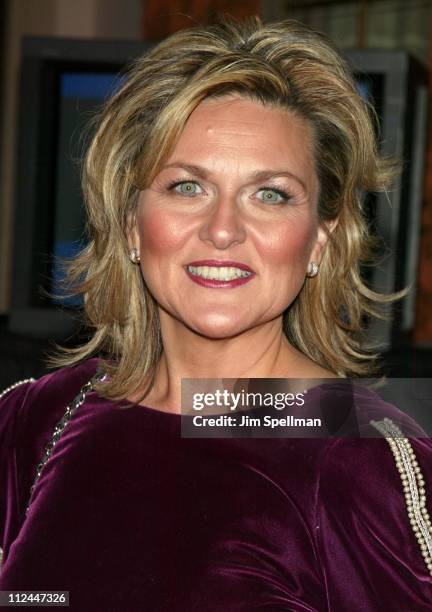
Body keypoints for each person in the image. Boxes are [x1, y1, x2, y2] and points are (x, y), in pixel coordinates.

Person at [1, 16, 431, 611]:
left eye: (270, 194)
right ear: (130, 224)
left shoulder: (363, 462)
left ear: (319, 243)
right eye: (187, 187)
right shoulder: (33, 420)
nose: (223, 230)